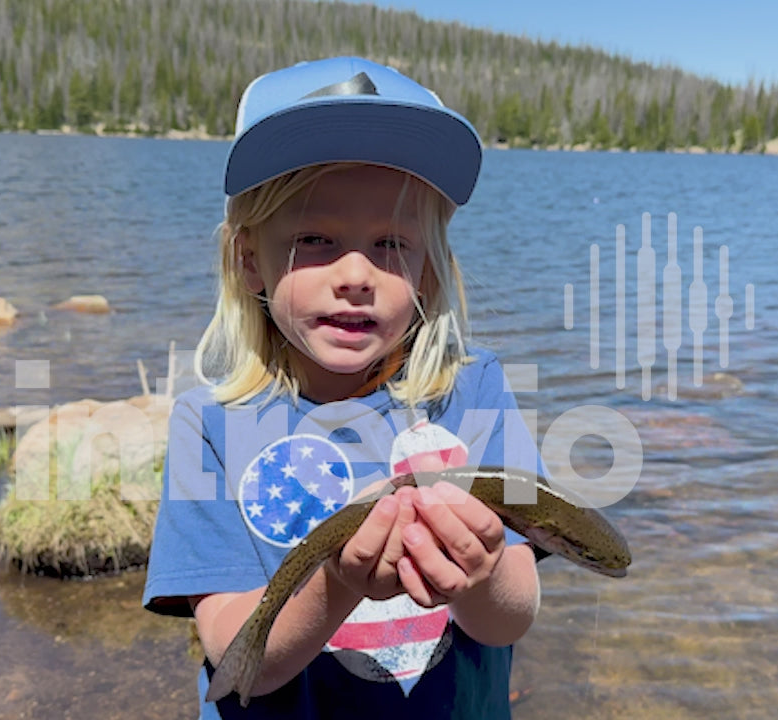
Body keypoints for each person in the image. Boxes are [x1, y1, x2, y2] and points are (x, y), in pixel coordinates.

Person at [143, 56, 547, 719]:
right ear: (250, 261)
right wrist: (336, 581)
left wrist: (479, 573)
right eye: (315, 239)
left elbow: (510, 617)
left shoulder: (476, 390)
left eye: (391, 243)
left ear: (427, 273)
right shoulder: (207, 425)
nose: (356, 274)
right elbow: (234, 657)